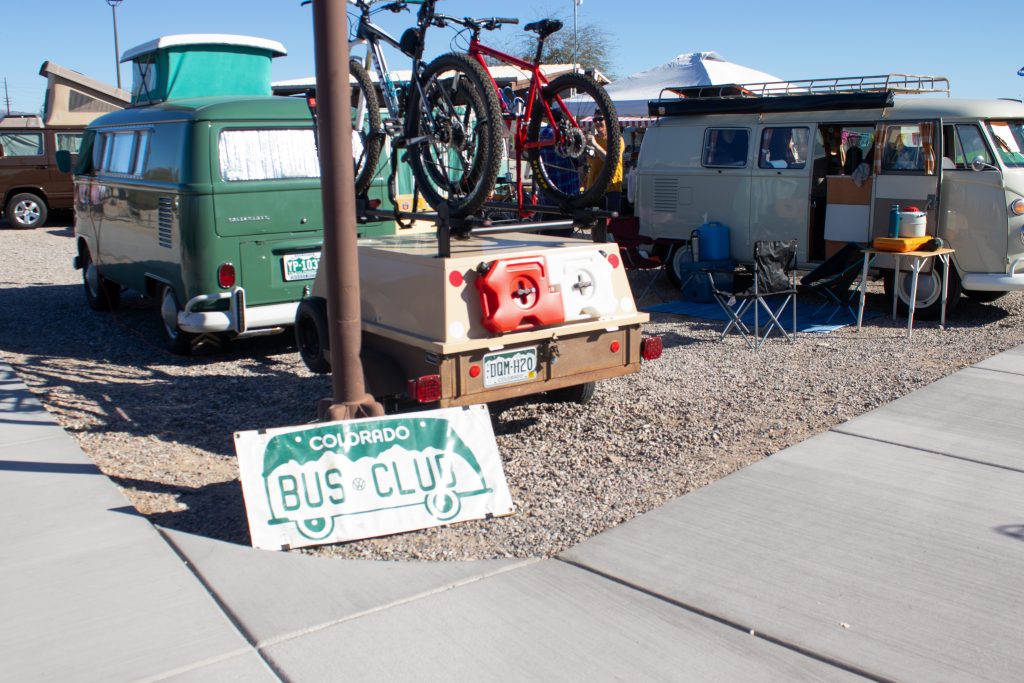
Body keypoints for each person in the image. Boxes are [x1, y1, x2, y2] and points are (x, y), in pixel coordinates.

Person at [586, 112, 624, 213]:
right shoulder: (593, 139)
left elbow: (611, 160)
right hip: (593, 189)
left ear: (607, 120)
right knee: (594, 225)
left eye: (600, 119)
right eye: (595, 120)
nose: (597, 122)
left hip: (611, 189)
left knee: (611, 225)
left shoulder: (617, 139)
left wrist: (594, 145)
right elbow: (590, 162)